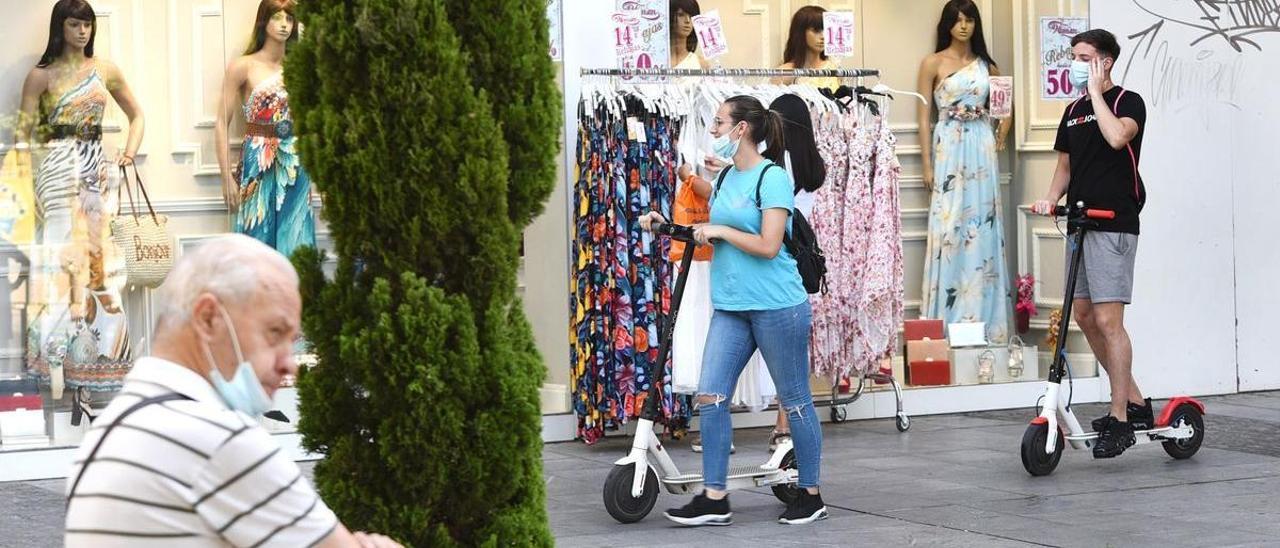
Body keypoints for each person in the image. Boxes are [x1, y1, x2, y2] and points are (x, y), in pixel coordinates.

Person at [63, 234, 402, 547]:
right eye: (274, 333)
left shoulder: (105, 434)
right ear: (209, 318)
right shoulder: (219, 440)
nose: (290, 363)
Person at [641, 96, 826, 526]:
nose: (714, 131)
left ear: (741, 129)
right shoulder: (725, 180)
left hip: (778, 305)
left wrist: (721, 229)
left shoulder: (772, 177)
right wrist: (666, 225)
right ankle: (714, 496)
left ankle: (811, 494)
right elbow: (712, 229)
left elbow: (767, 244)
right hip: (732, 306)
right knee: (711, 394)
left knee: (795, 400)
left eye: (719, 123)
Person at [1031, 29, 1151, 459]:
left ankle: (1120, 417)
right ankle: (1136, 401)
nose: (1077, 65)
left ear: (1106, 61)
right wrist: (1050, 198)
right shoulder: (1073, 111)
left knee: (1108, 320)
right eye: (1075, 57)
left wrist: (1097, 93)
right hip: (1082, 223)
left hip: (1114, 223)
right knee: (1082, 314)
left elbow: (1118, 137)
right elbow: (1065, 165)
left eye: (1086, 58)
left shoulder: (1126, 102)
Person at [917, 0, 1012, 346]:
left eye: (969, 20)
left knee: (982, 227)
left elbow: (1004, 108)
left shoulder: (989, 66)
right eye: (957, 20)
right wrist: (927, 164)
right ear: (947, 24)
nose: (963, 26)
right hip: (948, 148)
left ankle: (986, 323)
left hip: (981, 147)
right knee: (950, 224)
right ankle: (948, 320)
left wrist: (1000, 134)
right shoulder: (933, 63)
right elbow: (923, 118)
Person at [772, 6, 838, 89]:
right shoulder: (784, 72)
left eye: (827, 30)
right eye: (816, 30)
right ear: (800, 32)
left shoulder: (834, 69)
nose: (823, 36)